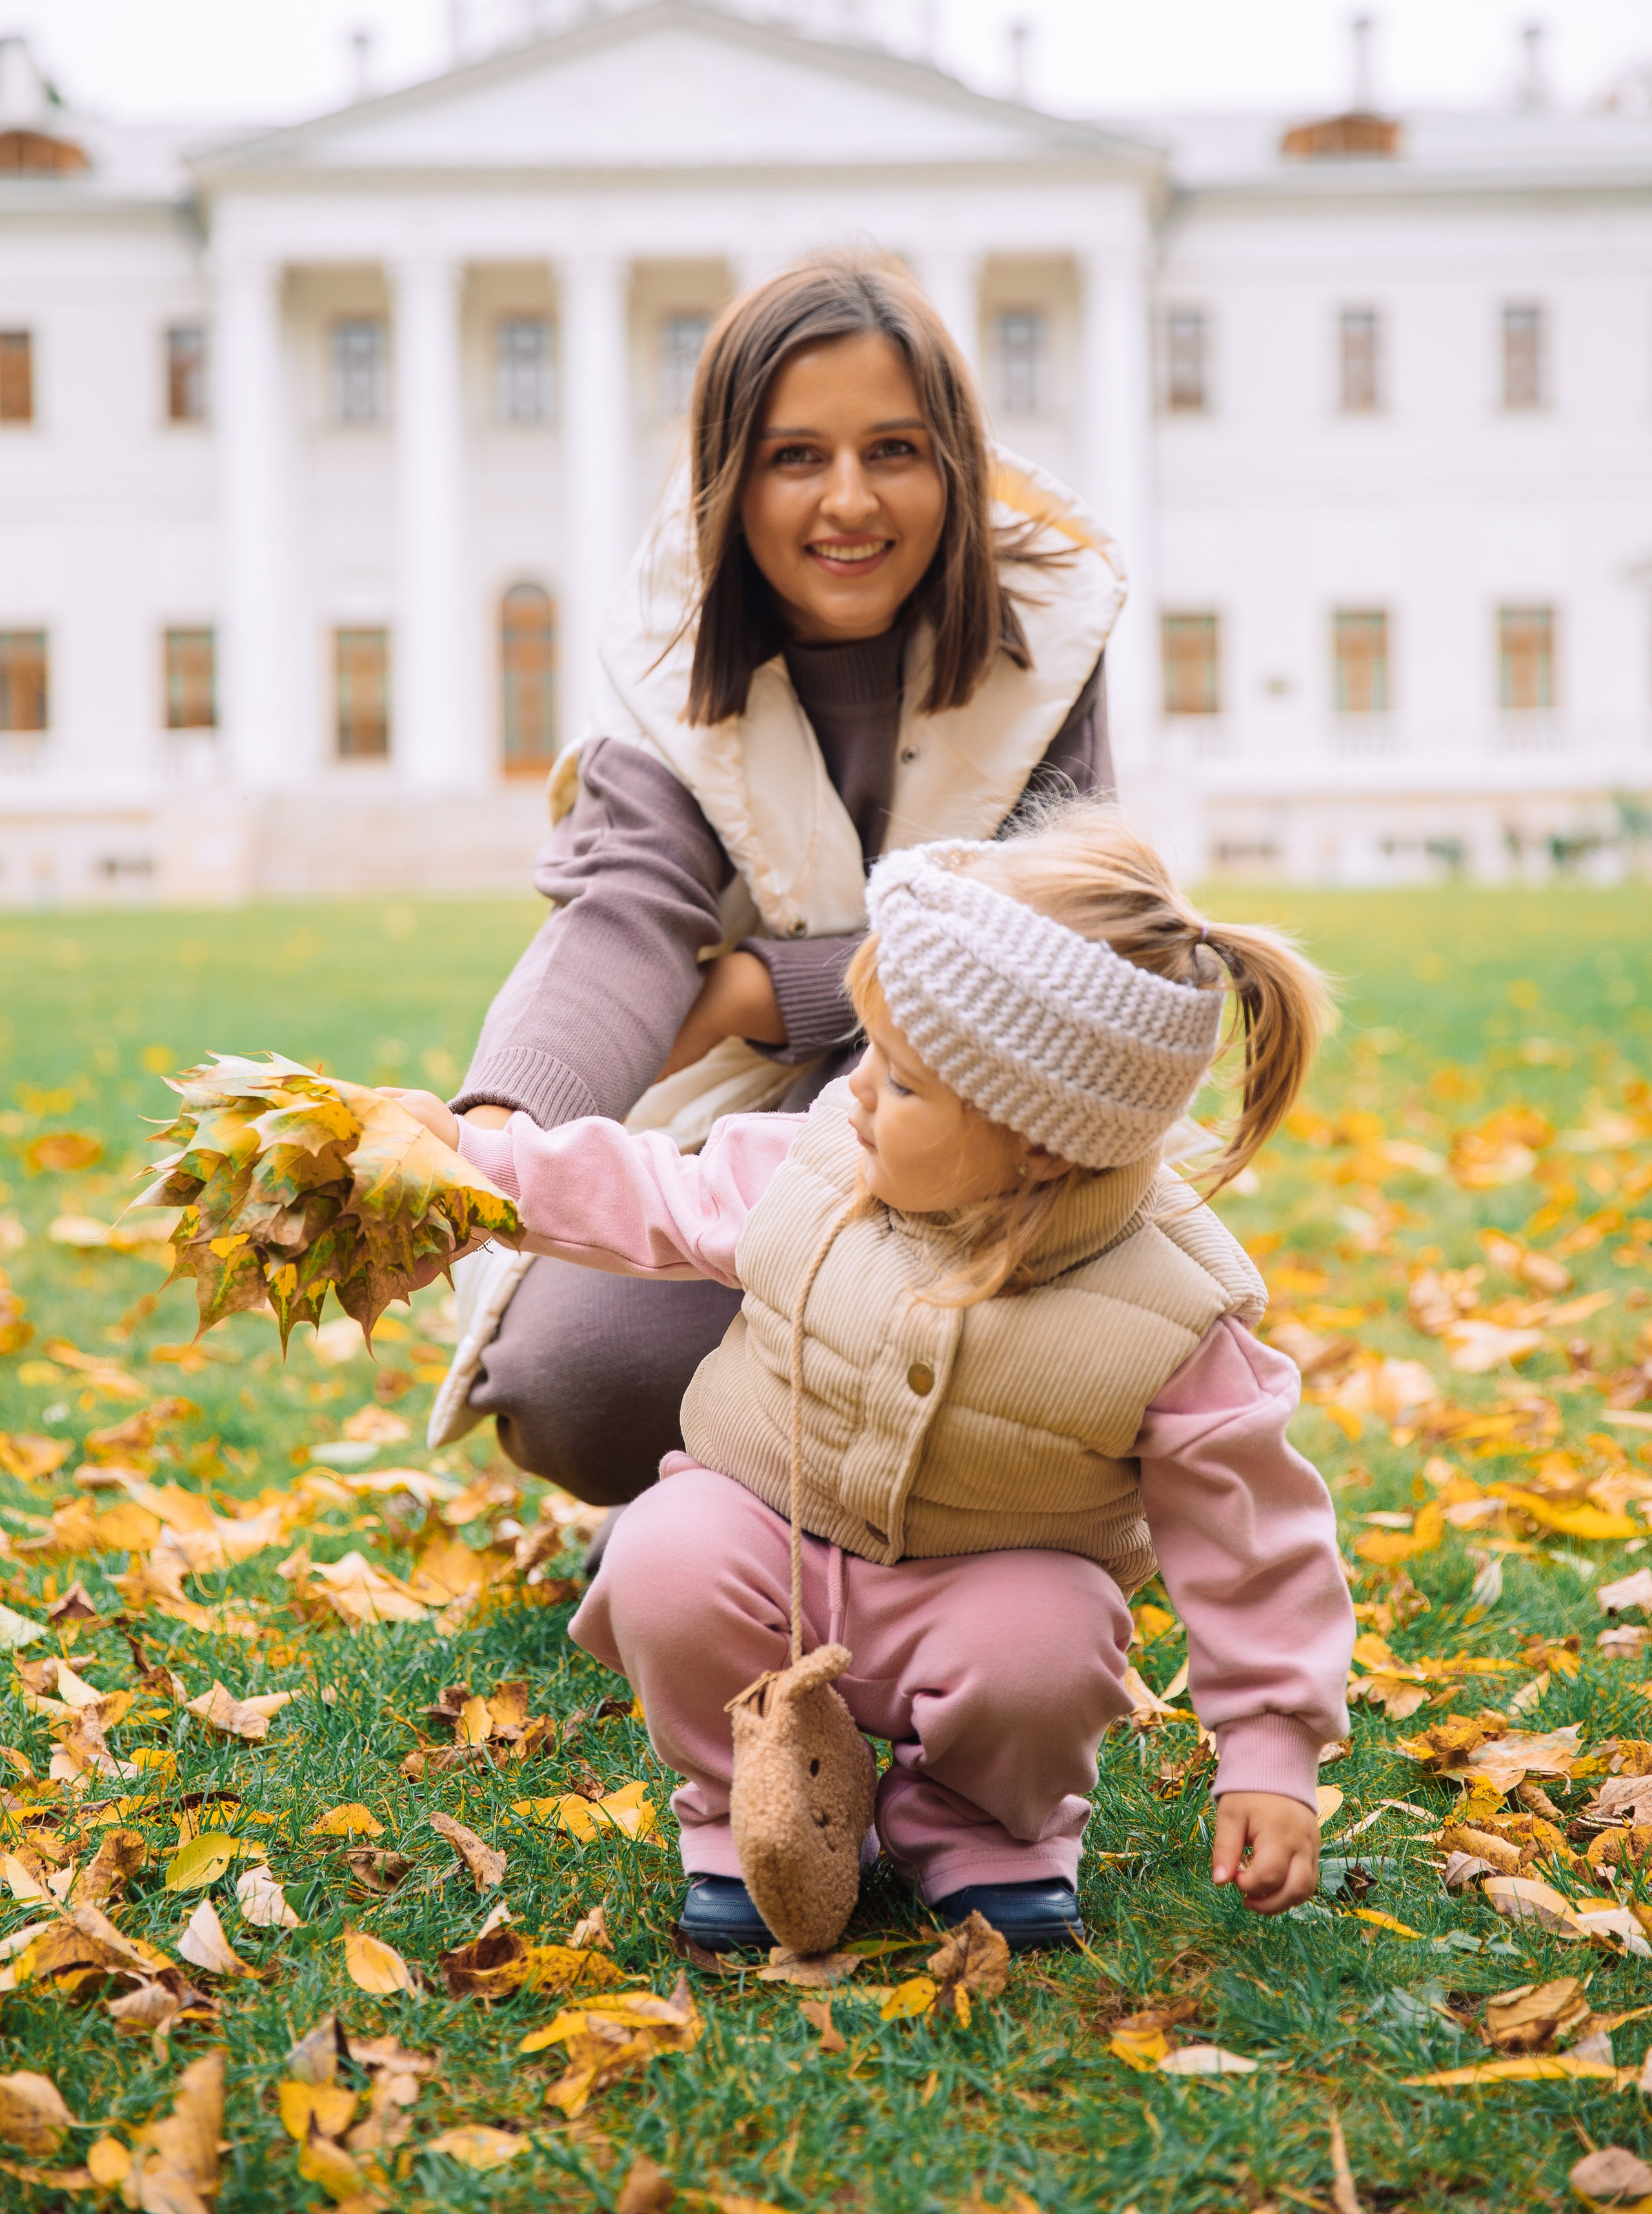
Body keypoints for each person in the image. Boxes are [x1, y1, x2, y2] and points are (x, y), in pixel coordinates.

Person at [392, 807, 1355, 1954]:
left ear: (1040, 1140)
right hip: (773, 1537)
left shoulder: (1172, 1311)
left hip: (987, 1584)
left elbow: (1254, 1542)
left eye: (899, 1083)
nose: (853, 1095)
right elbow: (649, 1192)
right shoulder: (819, 1163)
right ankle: (755, 1793)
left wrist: (1271, 1750)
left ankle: (978, 1824)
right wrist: (474, 1165)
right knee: (666, 1558)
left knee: (1048, 1649)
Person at [428, 254, 1124, 1507]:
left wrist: (766, 983)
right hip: (740, 1113)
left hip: (987, 1114)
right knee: (574, 1381)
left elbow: (1055, 950)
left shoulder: (1046, 635)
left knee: (1031, 1349)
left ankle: (935, 1534)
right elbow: (621, 915)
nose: (847, 501)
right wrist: (492, 1141)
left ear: (952, 468)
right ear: (729, 478)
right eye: (794, 456)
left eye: (894, 450)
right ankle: (729, 1507)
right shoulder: (668, 653)